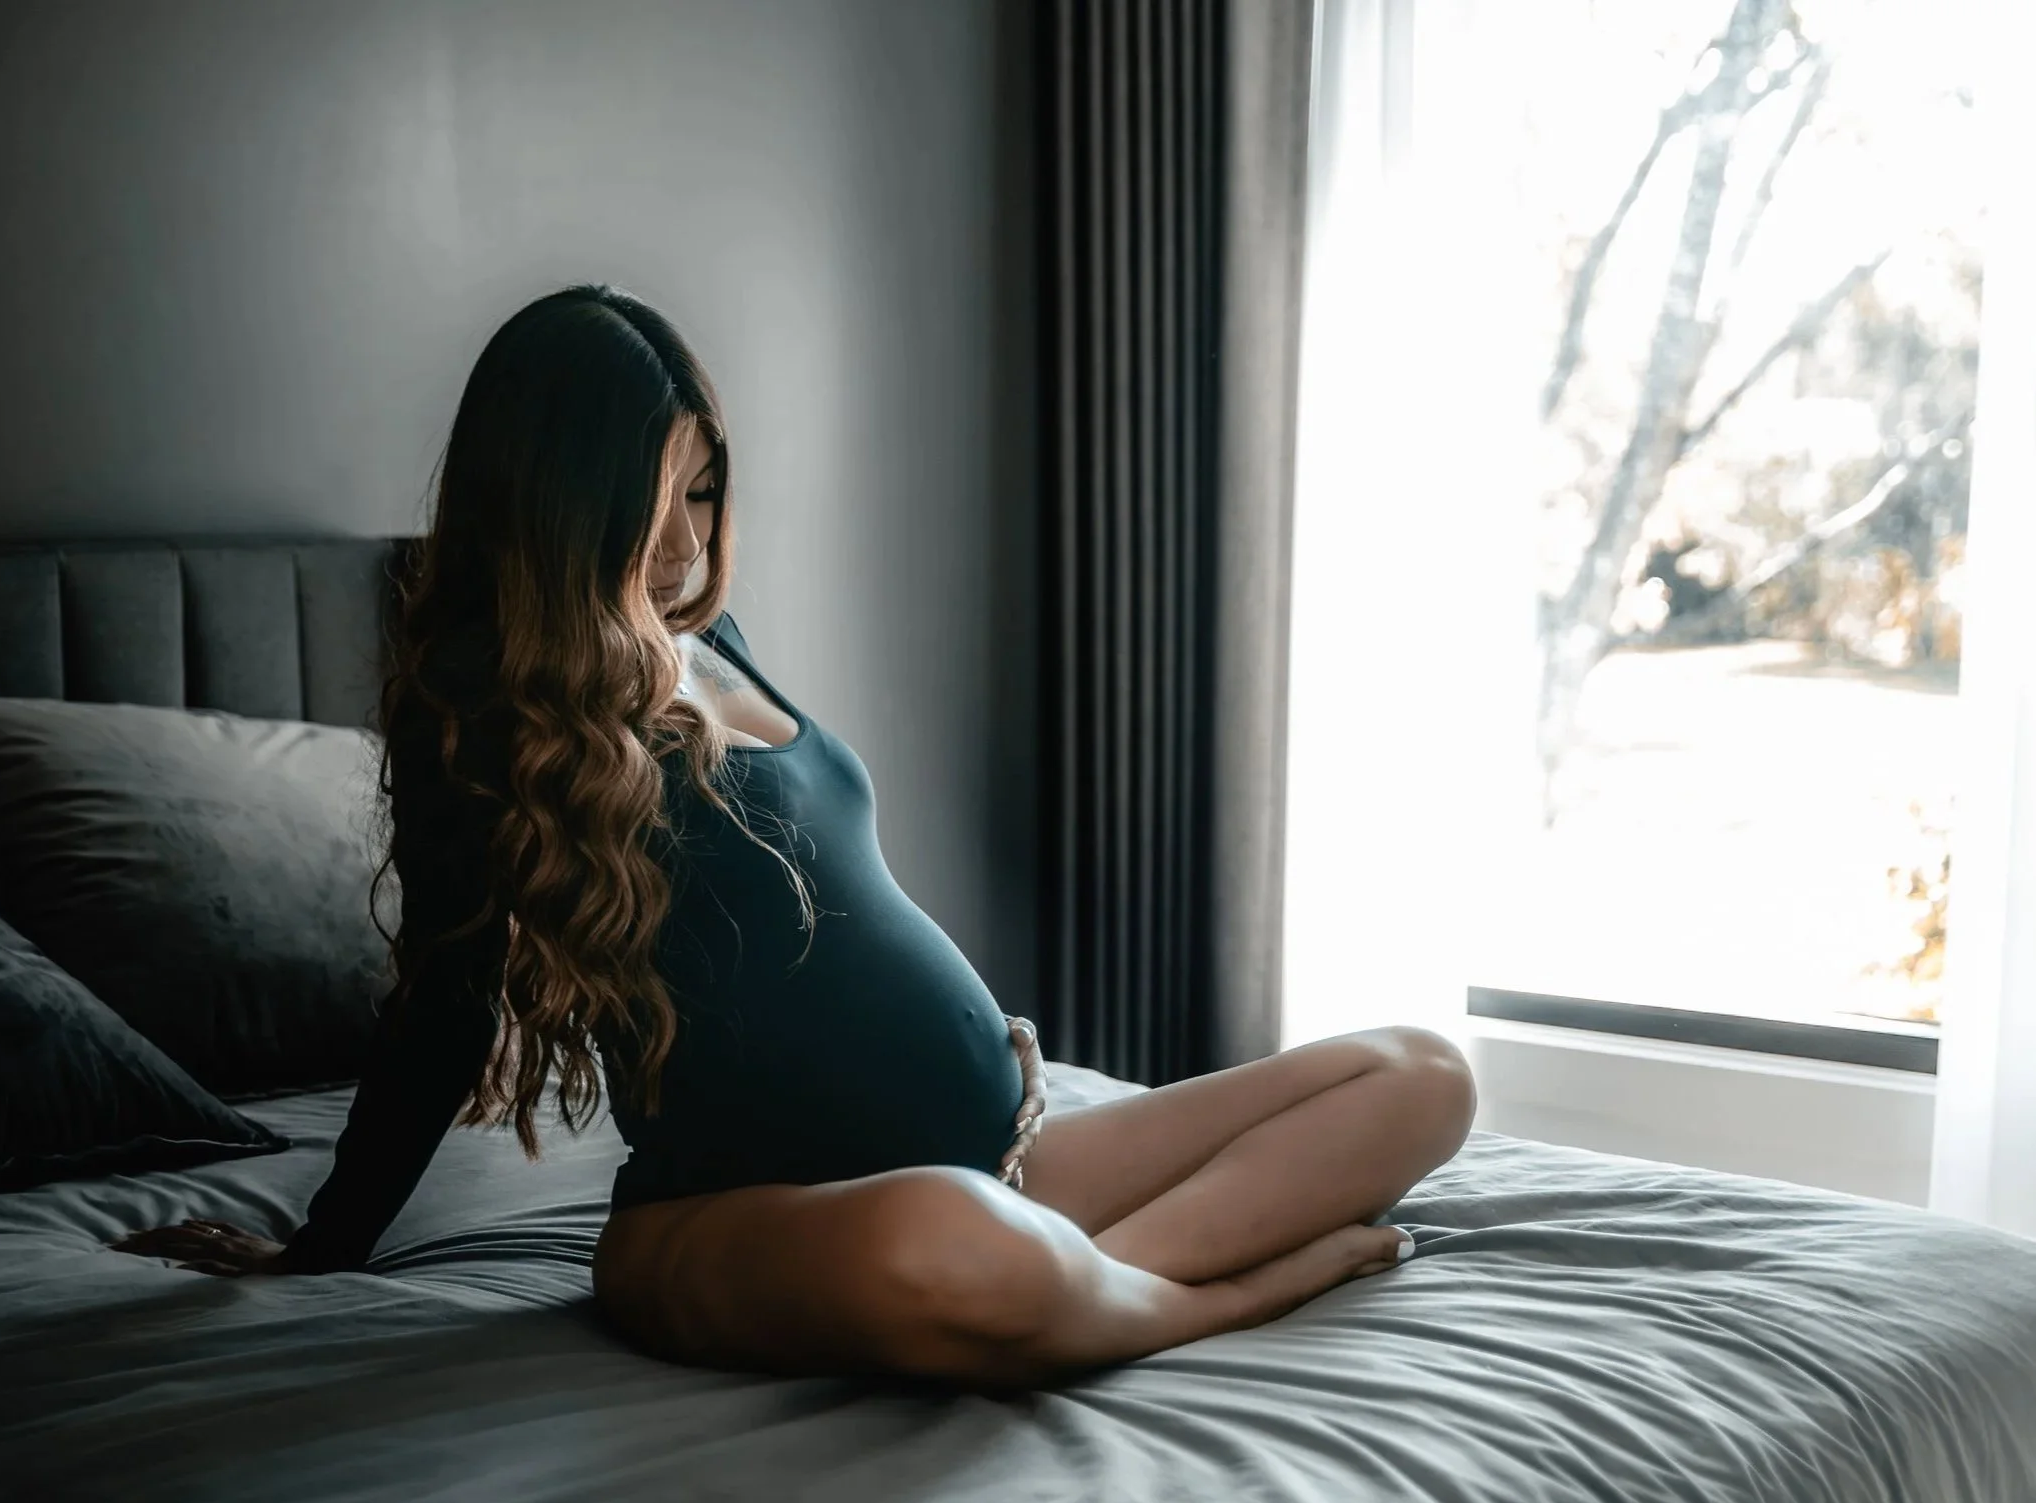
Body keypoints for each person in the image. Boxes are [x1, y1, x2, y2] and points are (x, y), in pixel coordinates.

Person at [111, 284, 1476, 1393]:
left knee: (1422, 1074)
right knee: (957, 1246)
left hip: (998, 1145)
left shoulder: (716, 646)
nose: (681, 538)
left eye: (701, 491)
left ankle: (1098, 1285)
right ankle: (1216, 1290)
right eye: (650, 501)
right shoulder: (488, 718)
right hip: (734, 1218)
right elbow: (441, 1011)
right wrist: (322, 1245)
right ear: (554, 501)